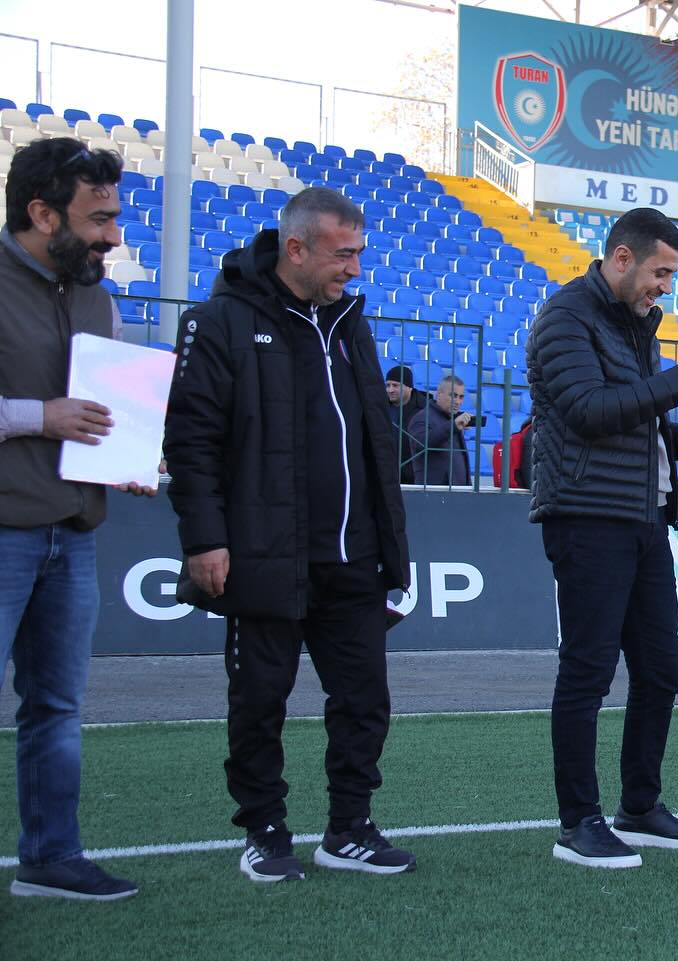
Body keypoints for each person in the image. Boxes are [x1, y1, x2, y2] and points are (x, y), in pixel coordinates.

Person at [163, 186, 416, 884]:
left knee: (364, 700)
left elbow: (371, 442)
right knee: (258, 702)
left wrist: (391, 547)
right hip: (262, 554)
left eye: (360, 253)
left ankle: (350, 828)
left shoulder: (350, 324)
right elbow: (190, 440)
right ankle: (265, 831)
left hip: (353, 556)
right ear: (296, 248)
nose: (356, 269)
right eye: (345, 253)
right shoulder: (222, 321)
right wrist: (204, 539)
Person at [527, 206, 678, 869]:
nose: (664, 288)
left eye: (670, 275)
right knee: (588, 671)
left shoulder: (635, 323)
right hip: (586, 516)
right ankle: (578, 822)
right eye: (659, 273)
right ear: (621, 258)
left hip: (644, 518)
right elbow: (590, 414)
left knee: (661, 667)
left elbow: (638, 428)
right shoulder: (565, 318)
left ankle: (639, 806)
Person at [0, 138, 153, 901]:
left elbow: (104, 409)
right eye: (100, 219)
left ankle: (50, 858)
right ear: (40, 212)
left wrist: (128, 457)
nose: (114, 235)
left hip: (74, 530)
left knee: (57, 705)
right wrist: (41, 417)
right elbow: (59, 413)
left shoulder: (97, 294)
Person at [407, 373, 474, 487]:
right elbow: (421, 443)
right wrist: (453, 426)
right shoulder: (421, 418)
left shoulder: (451, 419)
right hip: (433, 494)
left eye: (461, 397)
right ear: (439, 394)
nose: (457, 401)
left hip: (458, 492)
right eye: (453, 395)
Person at [384, 365, 427, 484]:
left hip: (416, 477)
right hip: (387, 477)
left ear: (409, 387)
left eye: (395, 385)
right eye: (388, 385)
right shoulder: (381, 408)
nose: (390, 390)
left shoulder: (424, 408)